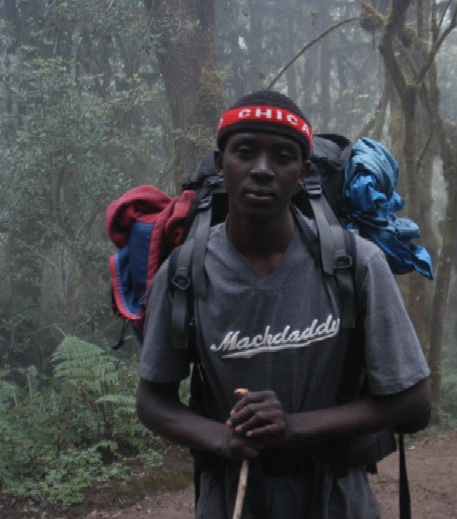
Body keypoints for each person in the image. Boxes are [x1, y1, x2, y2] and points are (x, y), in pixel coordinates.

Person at [136, 90, 432, 519]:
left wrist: (295, 428)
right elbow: (152, 401)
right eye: (244, 152)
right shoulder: (186, 272)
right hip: (230, 500)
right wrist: (222, 439)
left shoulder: (356, 265)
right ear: (221, 164)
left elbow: (414, 400)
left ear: (302, 171)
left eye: (282, 156)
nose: (261, 170)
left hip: (336, 499)